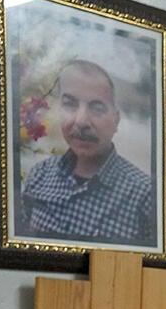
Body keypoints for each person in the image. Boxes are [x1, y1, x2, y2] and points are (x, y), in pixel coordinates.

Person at [18, 59, 154, 245]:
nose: (81, 121)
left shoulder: (144, 197)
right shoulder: (40, 175)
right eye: (70, 104)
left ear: (116, 120)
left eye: (96, 108)